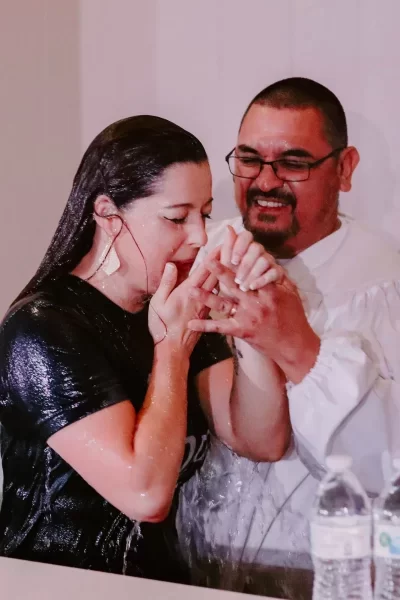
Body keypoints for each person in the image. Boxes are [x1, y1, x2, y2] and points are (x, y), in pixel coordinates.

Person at [0, 116, 290, 582]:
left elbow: (262, 440)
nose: (199, 237)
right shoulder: (45, 329)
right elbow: (145, 495)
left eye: (205, 214)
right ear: (108, 215)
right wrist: (171, 348)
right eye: (177, 217)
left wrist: (248, 321)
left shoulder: (172, 304)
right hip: (55, 585)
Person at [177, 78, 400, 599]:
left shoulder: (384, 285)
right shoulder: (202, 247)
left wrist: (299, 348)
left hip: (328, 574)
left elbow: (386, 466)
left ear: (344, 170)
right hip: (192, 571)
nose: (265, 181)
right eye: (250, 159)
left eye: (293, 163)